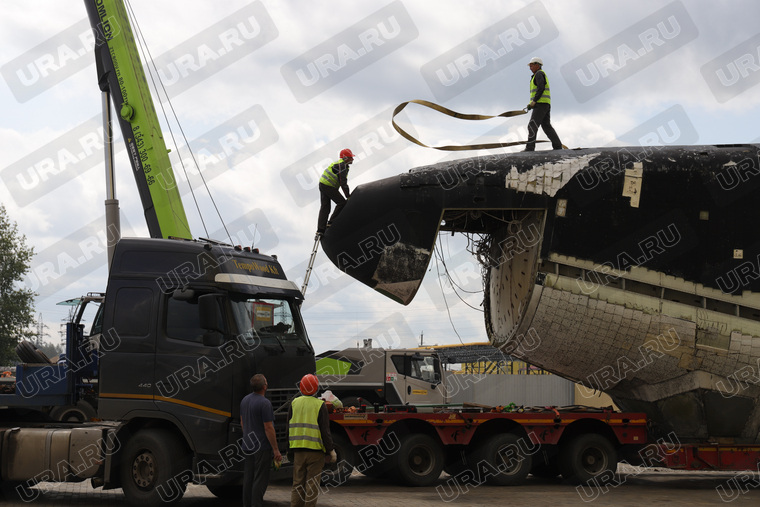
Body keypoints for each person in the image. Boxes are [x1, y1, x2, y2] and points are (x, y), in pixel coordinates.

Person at [288, 373, 335, 507]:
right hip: (315, 452)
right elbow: (325, 431)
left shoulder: (294, 403)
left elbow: (288, 428)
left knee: (297, 484)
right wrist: (330, 450)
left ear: (301, 388)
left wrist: (288, 449)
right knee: (312, 485)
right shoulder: (320, 405)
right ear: (315, 388)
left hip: (298, 450)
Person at [240, 374, 282, 507]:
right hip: (262, 447)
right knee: (260, 479)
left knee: (248, 478)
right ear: (264, 386)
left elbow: (243, 422)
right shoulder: (265, 403)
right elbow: (268, 428)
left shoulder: (245, 400)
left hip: (247, 445)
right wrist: (275, 449)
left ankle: (247, 504)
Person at [524, 57, 563, 151]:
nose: (530, 68)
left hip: (540, 104)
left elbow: (540, 88)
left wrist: (534, 101)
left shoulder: (539, 74)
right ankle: (558, 147)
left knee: (532, 125)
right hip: (545, 104)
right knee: (546, 126)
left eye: (532, 65)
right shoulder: (539, 74)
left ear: (537, 65)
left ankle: (530, 148)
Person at [316, 149, 354, 234]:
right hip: (327, 186)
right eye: (350, 157)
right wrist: (348, 196)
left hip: (323, 184)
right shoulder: (342, 166)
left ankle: (320, 230)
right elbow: (343, 182)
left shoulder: (341, 165)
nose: (352, 159)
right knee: (342, 203)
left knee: (325, 207)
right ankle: (331, 223)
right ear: (345, 158)